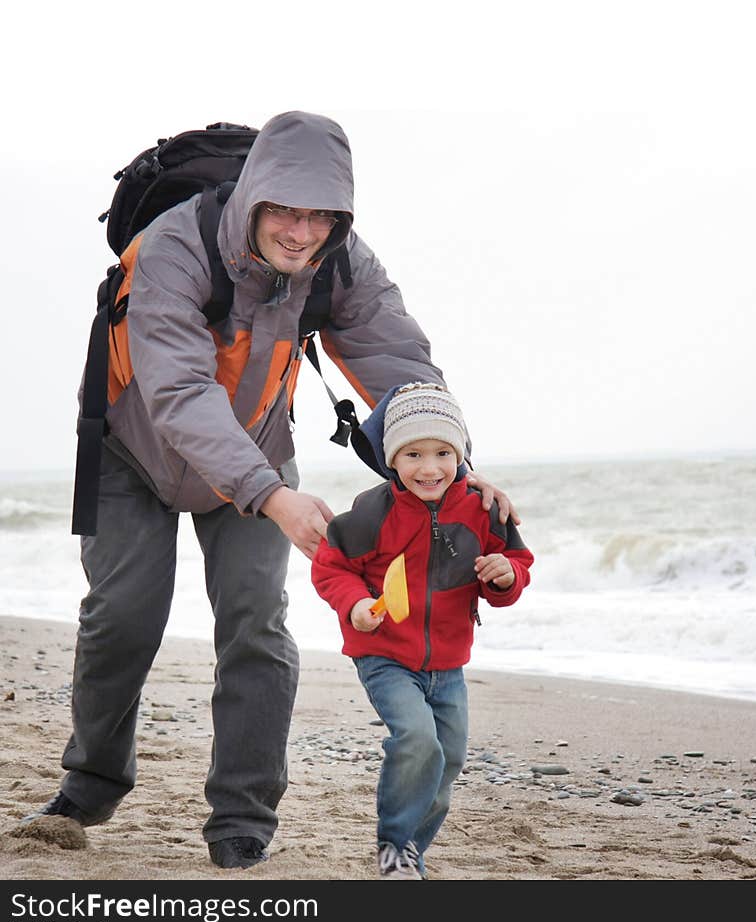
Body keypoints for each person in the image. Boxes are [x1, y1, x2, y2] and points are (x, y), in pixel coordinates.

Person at [24, 112, 518, 870]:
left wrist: (457, 457)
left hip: (256, 443)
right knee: (123, 618)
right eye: (286, 210)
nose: (301, 229)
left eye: (320, 214)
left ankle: (241, 817)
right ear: (253, 195)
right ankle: (91, 783)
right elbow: (180, 394)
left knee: (256, 623)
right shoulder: (172, 249)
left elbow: (399, 362)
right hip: (136, 450)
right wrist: (273, 495)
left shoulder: (343, 262)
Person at [311, 382, 533, 879]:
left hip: (448, 662)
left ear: (461, 455)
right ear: (392, 457)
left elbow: (516, 567)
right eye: (413, 454)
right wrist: (356, 606)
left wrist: (505, 576)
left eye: (442, 453)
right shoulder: (373, 511)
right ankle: (392, 846)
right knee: (417, 740)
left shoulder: (482, 510)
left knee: (449, 758)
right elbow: (331, 567)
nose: (429, 468)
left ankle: (412, 850)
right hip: (384, 654)